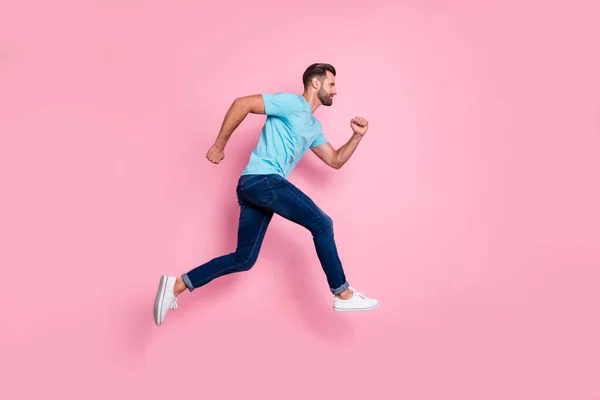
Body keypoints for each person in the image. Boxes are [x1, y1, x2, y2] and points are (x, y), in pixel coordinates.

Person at [153, 63, 379, 326]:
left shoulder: (313, 127)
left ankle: (176, 285)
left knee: (243, 258)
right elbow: (242, 103)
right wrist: (219, 145)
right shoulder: (291, 103)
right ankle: (342, 292)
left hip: (256, 187)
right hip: (263, 180)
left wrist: (356, 136)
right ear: (316, 84)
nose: (335, 91)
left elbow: (336, 160)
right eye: (332, 84)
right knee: (322, 223)